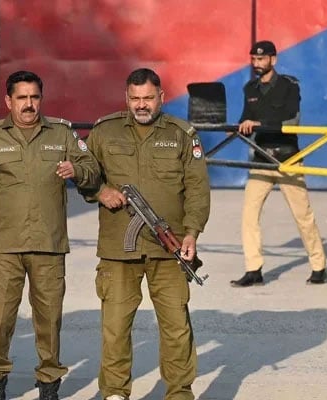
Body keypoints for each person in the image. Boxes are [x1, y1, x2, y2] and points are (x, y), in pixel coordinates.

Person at [84, 68, 211, 400]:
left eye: (148, 98)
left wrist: (192, 233)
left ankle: (180, 392)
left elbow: (197, 190)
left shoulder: (182, 134)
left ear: (161, 98)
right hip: (117, 249)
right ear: (127, 97)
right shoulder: (104, 131)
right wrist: (99, 192)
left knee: (176, 328)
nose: (142, 105)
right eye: (135, 98)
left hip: (169, 252)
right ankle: (114, 393)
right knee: (115, 328)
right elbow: (84, 170)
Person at [0, 70, 101, 399]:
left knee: (49, 319)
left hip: (48, 243)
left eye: (34, 97)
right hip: (5, 245)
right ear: (8, 101)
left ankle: (48, 384)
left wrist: (77, 170)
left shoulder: (61, 134)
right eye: (21, 98)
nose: (29, 104)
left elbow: (91, 168)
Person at [230, 40, 327, 287]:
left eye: (261, 59)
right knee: (249, 215)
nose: (256, 64)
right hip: (261, 159)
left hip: (288, 158)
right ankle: (254, 270)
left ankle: (318, 266)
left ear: (273, 60)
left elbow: (292, 118)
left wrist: (258, 123)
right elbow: (245, 118)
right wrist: (242, 125)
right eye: (253, 59)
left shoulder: (289, 86)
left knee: (302, 215)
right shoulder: (249, 88)